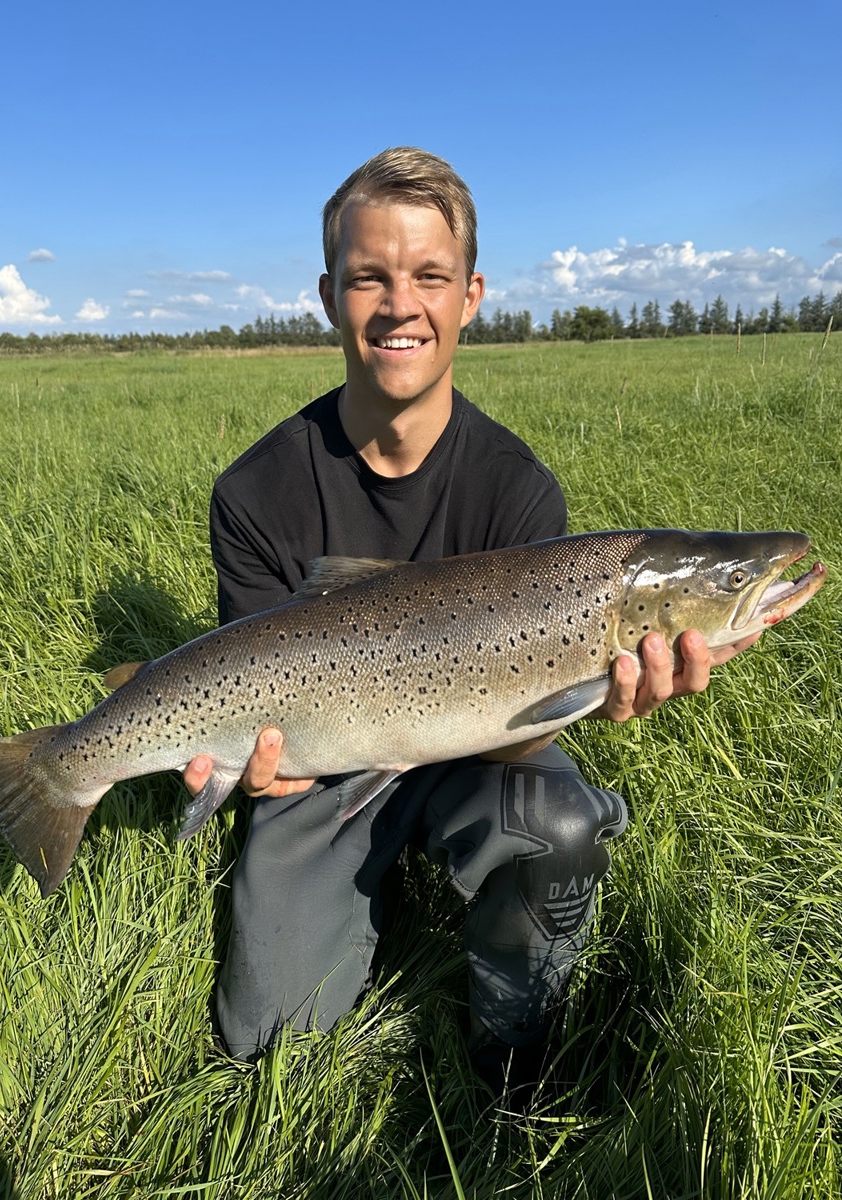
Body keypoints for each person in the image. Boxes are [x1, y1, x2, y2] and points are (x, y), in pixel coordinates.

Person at [183, 147, 757, 1101]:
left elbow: (519, 727)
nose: (400, 303)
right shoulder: (254, 491)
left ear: (471, 296)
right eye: (370, 275)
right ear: (330, 294)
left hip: (472, 750)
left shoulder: (519, 488)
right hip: (322, 765)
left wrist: (592, 708)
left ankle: (511, 1062)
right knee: (264, 1047)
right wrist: (240, 758)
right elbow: (255, 714)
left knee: (564, 824)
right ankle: (63, 779)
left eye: (430, 277)